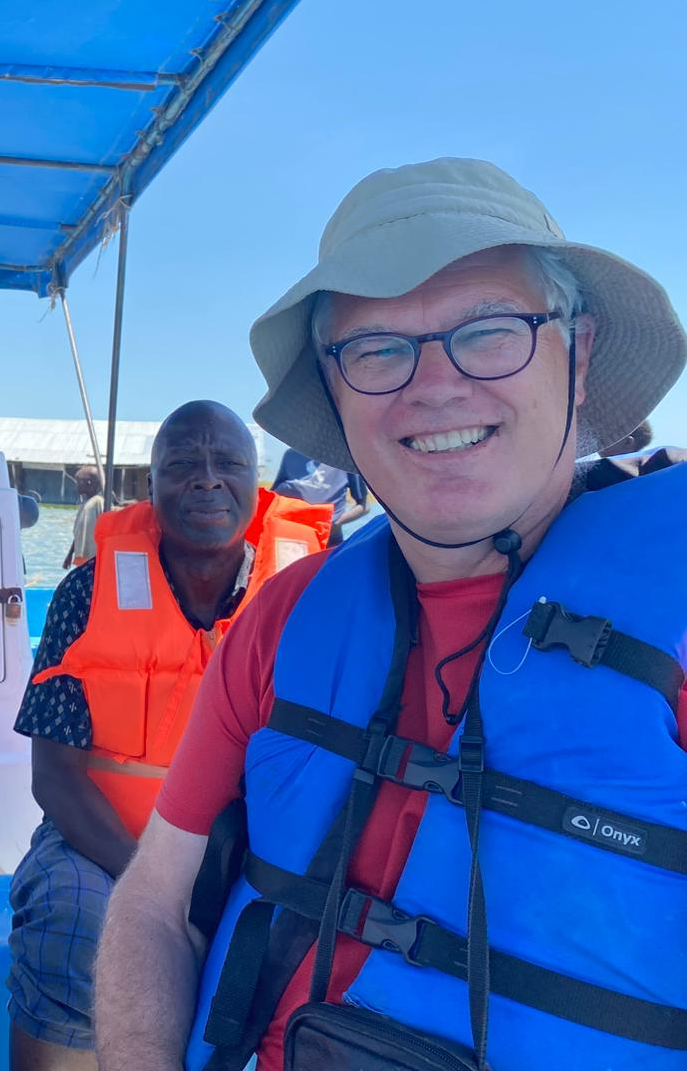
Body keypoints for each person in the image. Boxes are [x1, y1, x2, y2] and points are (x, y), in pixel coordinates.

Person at [96, 158, 687, 1071]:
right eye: (378, 350)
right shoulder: (284, 618)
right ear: (334, 392)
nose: (434, 386)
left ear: (582, 352)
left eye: (490, 332)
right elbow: (156, 903)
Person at [7, 401, 332, 1070]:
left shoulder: (316, 598)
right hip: (103, 845)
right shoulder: (86, 591)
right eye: (182, 464)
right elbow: (54, 777)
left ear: (257, 481)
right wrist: (151, 889)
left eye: (229, 463)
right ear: (149, 488)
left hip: (256, 855)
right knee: (73, 919)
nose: (207, 479)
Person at [270, 447, 369, 544]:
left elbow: (364, 506)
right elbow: (272, 496)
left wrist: (336, 523)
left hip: (328, 539)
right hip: (292, 537)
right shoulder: (291, 455)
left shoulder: (344, 460)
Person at [62, 466, 105, 568]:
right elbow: (79, 533)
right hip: (82, 558)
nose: (76, 486)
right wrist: (70, 554)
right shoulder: (84, 504)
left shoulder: (98, 503)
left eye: (79, 482)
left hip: (93, 558)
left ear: (89, 483)